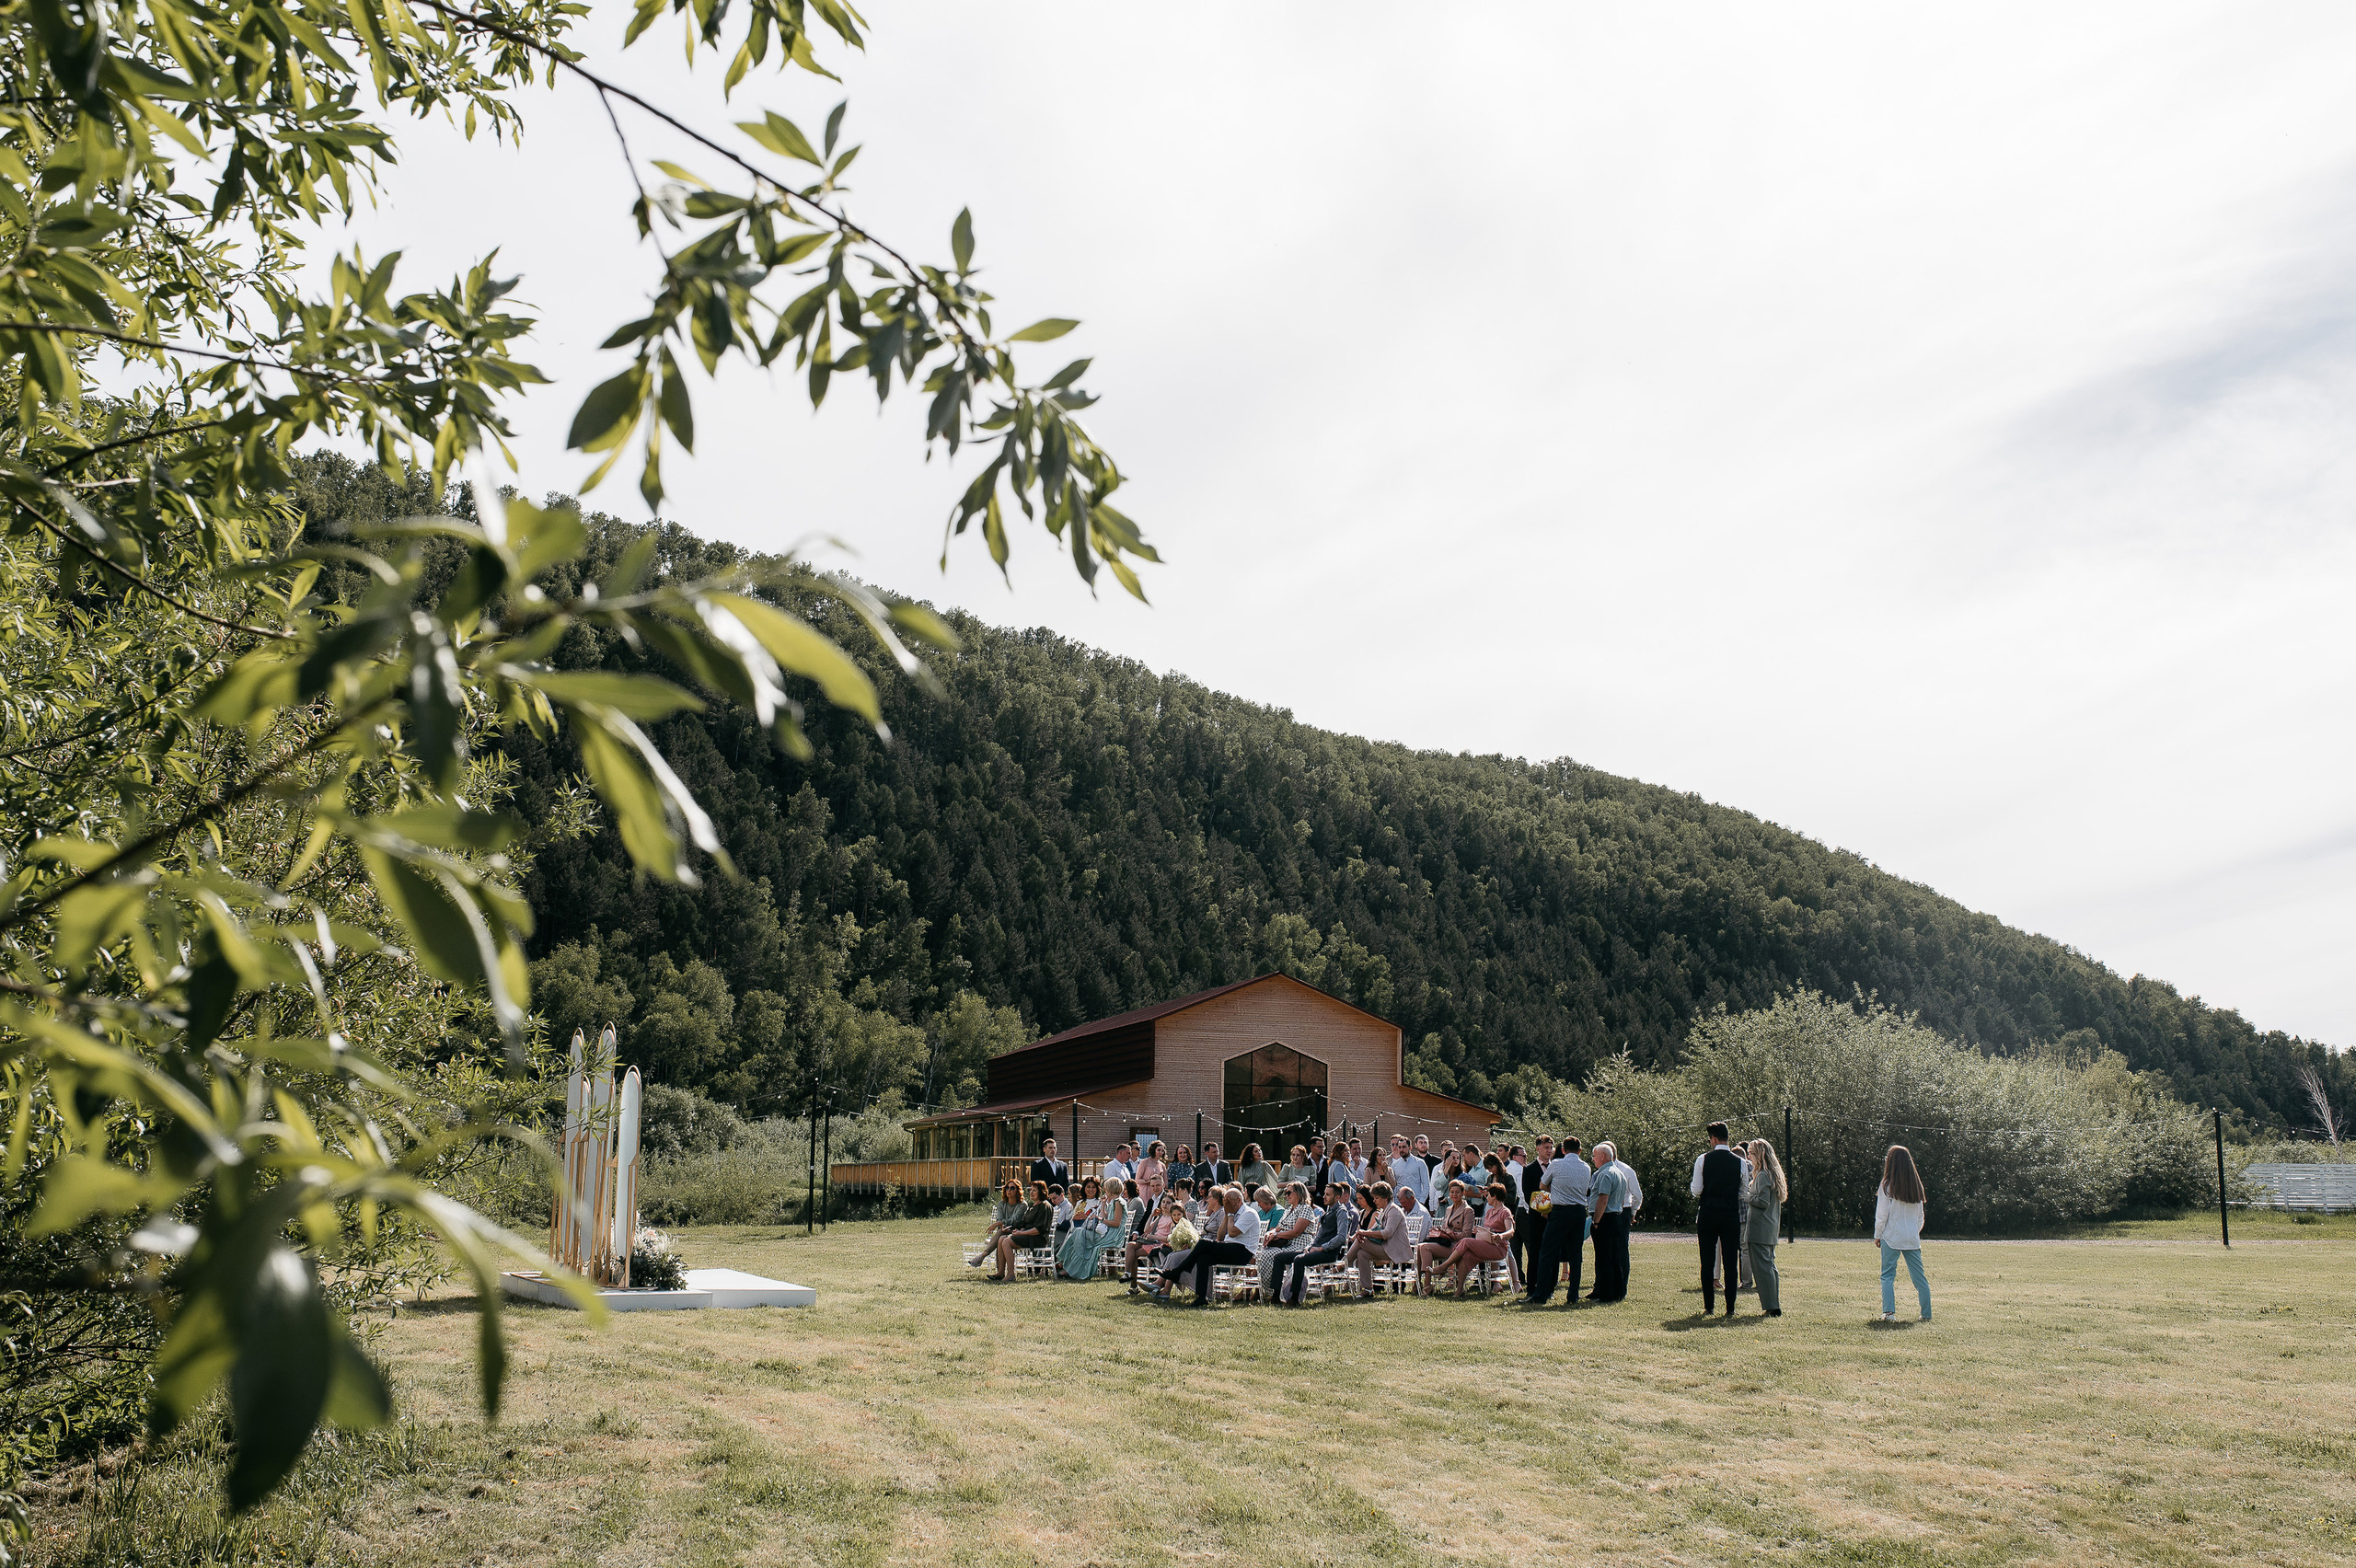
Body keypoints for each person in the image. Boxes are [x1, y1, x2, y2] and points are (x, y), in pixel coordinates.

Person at [1161, 1184, 1261, 1306]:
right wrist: (1227, 1215)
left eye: (1228, 1201)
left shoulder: (1249, 1213)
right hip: (1229, 1248)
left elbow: (1233, 1233)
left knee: (1204, 1243)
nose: (1226, 1204)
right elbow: (1220, 1236)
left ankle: (1178, 1271)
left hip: (1243, 1252)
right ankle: (1201, 1297)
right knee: (1203, 1258)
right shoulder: (1231, 1212)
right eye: (1225, 1201)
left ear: (1238, 1201)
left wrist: (1230, 1214)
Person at [1525, 1136, 1592, 1306]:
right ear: (1580, 1150)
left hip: (1560, 1211)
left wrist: (1555, 1190)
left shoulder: (1556, 1164)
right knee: (1575, 1254)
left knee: (1548, 1251)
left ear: (1562, 1150)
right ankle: (1573, 1295)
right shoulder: (1586, 1167)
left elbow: (1542, 1185)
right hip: (1579, 1211)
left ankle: (1541, 1293)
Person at [1691, 1122, 1745, 1317]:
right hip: (1730, 1213)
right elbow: (1743, 1192)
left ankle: (1709, 1306)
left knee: (1707, 1261)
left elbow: (1696, 1190)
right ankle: (1730, 1308)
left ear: (1713, 1139)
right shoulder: (1740, 1162)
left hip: (1708, 1212)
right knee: (1730, 1261)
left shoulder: (1703, 1159)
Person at [1875, 1144, 1930, 1322]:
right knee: (1919, 1278)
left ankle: (1889, 1313)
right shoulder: (1916, 1187)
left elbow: (1882, 1215)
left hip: (1891, 1236)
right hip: (1912, 1238)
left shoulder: (1887, 1186)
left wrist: (1878, 1235)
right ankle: (1926, 1313)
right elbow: (1920, 1218)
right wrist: (1913, 1232)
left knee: (1887, 1275)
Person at [1278, 1183, 1357, 1305]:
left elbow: (1341, 1237)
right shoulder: (1328, 1212)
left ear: (1337, 1198)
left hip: (1329, 1253)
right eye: (1324, 1194)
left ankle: (1294, 1298)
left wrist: (1322, 1248)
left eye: (1328, 1195)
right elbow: (1318, 1236)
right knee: (1280, 1257)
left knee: (1299, 1260)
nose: (1324, 1197)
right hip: (1317, 1249)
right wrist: (1309, 1247)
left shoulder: (1341, 1212)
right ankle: (1276, 1295)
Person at [1444, 1181, 1518, 1296]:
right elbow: (1488, 1230)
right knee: (1466, 1255)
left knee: (1466, 1241)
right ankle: (1460, 1289)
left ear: (1494, 1197)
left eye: (1488, 1195)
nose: (1486, 1198)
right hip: (1487, 1245)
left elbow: (1511, 1231)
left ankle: (1444, 1266)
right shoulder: (1489, 1212)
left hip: (1499, 1247)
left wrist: (1501, 1235)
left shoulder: (1505, 1212)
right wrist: (1479, 1231)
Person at [1744, 1138, 1785, 1317]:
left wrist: (1745, 1196)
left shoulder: (1762, 1175)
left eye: (1751, 1153)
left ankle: (1772, 1306)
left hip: (1760, 1229)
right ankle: (1773, 1303)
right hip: (1770, 1228)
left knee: (1762, 1269)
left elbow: (1762, 1201)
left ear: (1759, 1155)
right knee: (1769, 1266)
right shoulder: (1773, 1174)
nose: (1749, 1157)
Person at [1343, 1181, 1407, 1295]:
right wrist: (1363, 1233)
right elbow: (1374, 1230)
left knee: (1361, 1241)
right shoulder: (1384, 1211)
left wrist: (1364, 1233)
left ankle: (1342, 1266)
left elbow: (1387, 1233)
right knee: (1361, 1253)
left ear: (1385, 1198)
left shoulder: (1394, 1210)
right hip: (1386, 1247)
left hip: (1394, 1250)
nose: (1374, 1201)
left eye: (1376, 1198)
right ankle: (1368, 1288)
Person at [1586, 1141, 1630, 1303]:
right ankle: (1618, 1291)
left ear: (1602, 1156)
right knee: (1615, 1257)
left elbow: (1603, 1199)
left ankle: (1606, 1293)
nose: (1593, 1159)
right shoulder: (1619, 1173)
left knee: (1604, 1258)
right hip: (1616, 1217)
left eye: (1594, 1156)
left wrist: (1596, 1221)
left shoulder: (1605, 1174)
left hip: (1605, 1218)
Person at [1415, 1178, 1475, 1294]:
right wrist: (1443, 1232)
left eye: (1457, 1192)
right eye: (1452, 1192)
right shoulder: (1448, 1209)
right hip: (1446, 1243)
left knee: (1425, 1247)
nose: (1454, 1194)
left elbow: (1466, 1235)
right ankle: (1417, 1283)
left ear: (1463, 1193)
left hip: (1458, 1247)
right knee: (1420, 1247)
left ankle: (1427, 1285)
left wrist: (1450, 1233)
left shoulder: (1468, 1211)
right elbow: (1444, 1228)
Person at [1257, 1182, 1319, 1295]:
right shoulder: (1288, 1210)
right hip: (1285, 1244)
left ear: (1299, 1193)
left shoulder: (1305, 1209)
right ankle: (1266, 1289)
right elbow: (1278, 1228)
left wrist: (1276, 1235)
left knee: (1268, 1255)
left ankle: (1272, 1291)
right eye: (1286, 1193)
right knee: (1262, 1254)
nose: (1287, 1196)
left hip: (1299, 1245)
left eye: (1289, 1193)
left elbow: (1296, 1232)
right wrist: (1270, 1233)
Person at [988, 1181, 1054, 1281]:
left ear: (1041, 1192)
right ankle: (1000, 1273)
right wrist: (1018, 1231)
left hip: (1037, 1238)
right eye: (1031, 1190)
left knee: (1006, 1242)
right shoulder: (1032, 1206)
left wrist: (1021, 1233)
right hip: (1026, 1235)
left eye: (1034, 1190)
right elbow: (1025, 1224)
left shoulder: (1044, 1206)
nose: (1031, 1192)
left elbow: (1038, 1229)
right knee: (1001, 1239)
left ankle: (1011, 1274)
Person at [1515, 1136, 1555, 1286]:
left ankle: (1550, 1284)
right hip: (1536, 1217)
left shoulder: (1556, 1167)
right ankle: (1532, 1284)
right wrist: (1543, 1211)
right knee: (1535, 1251)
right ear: (1538, 1148)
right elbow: (1528, 1194)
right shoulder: (1529, 1169)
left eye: (1551, 1148)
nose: (1549, 1151)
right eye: (1546, 1148)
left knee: (1552, 1250)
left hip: (1554, 1216)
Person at [1057, 1176, 1114, 1280]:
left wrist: (1087, 1218)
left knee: (1078, 1234)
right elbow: (1073, 1223)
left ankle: (1064, 1264)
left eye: (1093, 1187)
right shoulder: (1080, 1203)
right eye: (1088, 1187)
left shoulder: (1100, 1202)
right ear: (1084, 1188)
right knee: (1077, 1234)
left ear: (1097, 1189)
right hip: (1078, 1232)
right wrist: (1076, 1218)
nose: (1091, 1189)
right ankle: (1070, 1269)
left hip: (1094, 1233)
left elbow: (1102, 1220)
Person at [969, 1177, 1026, 1269]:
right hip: (1004, 1230)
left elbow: (1015, 1221)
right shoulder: (1001, 1204)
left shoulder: (1022, 1205)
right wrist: (1001, 1224)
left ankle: (983, 1256)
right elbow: (999, 1219)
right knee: (1001, 1234)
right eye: (1007, 1188)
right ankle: (997, 1268)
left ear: (1017, 1191)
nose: (1009, 1190)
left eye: (1012, 1188)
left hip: (1018, 1231)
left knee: (1000, 1233)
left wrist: (998, 1224)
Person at [1389, 1136, 1433, 1213]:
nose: (1401, 1150)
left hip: (1416, 1203)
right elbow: (1393, 1185)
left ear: (1410, 1147)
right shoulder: (1394, 1165)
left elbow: (1426, 1184)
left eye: (1404, 1147)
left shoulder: (1419, 1163)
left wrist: (1422, 1201)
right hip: (1399, 1204)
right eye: (1399, 1147)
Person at [1138, 1141, 1168, 1205]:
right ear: (1153, 1150)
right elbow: (1137, 1180)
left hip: (1157, 1192)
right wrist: (1149, 1182)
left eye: (1162, 1151)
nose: (1160, 1152)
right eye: (1158, 1150)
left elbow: (1165, 1182)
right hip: (1145, 1191)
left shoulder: (1162, 1165)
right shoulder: (1144, 1162)